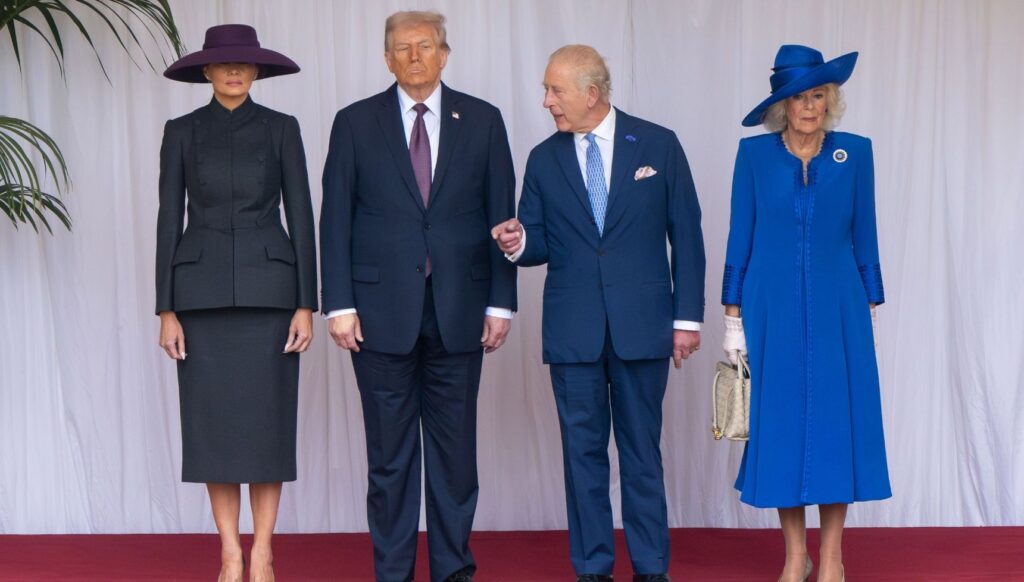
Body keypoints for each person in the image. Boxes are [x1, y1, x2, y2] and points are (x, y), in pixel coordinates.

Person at [492, 45, 705, 582]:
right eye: (545, 90)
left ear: (592, 92)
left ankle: (652, 568)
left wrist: (687, 320)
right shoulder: (543, 158)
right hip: (574, 332)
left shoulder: (658, 143)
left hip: (644, 328)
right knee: (581, 457)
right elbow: (537, 241)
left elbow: (688, 235)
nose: (545, 102)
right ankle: (592, 569)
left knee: (641, 454)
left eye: (554, 91)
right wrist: (517, 243)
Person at [319, 10, 516, 582]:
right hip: (378, 317)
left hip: (460, 313)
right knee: (389, 461)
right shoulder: (354, 122)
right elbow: (336, 219)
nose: (413, 56)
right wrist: (340, 303)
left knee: (456, 460)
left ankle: (454, 570)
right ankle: (394, 573)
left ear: (444, 54)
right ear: (386, 59)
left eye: (424, 46)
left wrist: (500, 303)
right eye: (401, 48)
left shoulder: (482, 120)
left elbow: (502, 216)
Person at [721, 44, 891, 582]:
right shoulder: (754, 157)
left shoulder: (856, 153)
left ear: (830, 100)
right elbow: (739, 238)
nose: (810, 105)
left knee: (836, 427)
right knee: (781, 428)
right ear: (782, 105)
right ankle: (796, 555)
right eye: (799, 96)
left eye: (819, 94)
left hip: (839, 308)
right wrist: (732, 320)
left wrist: (869, 310)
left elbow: (865, 237)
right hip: (770, 309)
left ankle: (834, 556)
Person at [156, 24, 317, 582]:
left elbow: (302, 215)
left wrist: (306, 303)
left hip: (271, 298)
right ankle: (229, 551)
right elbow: (166, 221)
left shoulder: (282, 129)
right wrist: (165, 309)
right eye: (223, 65)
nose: (233, 72)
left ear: (256, 73)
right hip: (198, 301)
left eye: (244, 65)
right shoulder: (181, 131)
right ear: (206, 71)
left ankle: (265, 550)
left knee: (266, 428)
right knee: (214, 431)